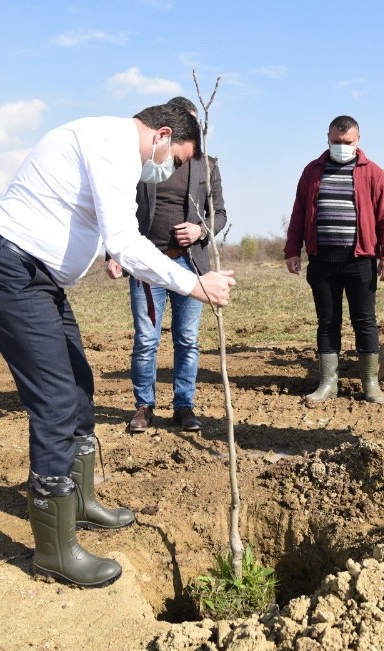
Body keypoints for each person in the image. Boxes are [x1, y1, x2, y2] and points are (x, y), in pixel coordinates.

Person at [0, 104, 236, 588]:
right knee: (54, 400)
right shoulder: (112, 148)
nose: (170, 170)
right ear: (162, 135)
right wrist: (195, 285)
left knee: (80, 384)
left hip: (38, 277)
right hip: (9, 271)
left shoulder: (112, 145)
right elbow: (126, 243)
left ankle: (81, 501)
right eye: (174, 159)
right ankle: (55, 551)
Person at [105, 97, 226, 434]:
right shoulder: (145, 161)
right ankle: (144, 406)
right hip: (147, 265)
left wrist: (201, 229)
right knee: (147, 339)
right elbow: (118, 208)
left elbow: (220, 214)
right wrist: (112, 253)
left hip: (191, 265)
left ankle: (184, 405)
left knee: (187, 340)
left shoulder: (208, 165)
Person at [284, 115, 384, 404]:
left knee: (365, 321)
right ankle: (328, 382)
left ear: (358, 140)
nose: (342, 147)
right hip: (322, 260)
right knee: (327, 321)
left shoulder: (372, 173)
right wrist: (291, 249)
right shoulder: (312, 171)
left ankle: (370, 383)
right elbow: (299, 212)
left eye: (347, 142)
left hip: (359, 260)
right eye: (337, 142)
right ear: (328, 138)